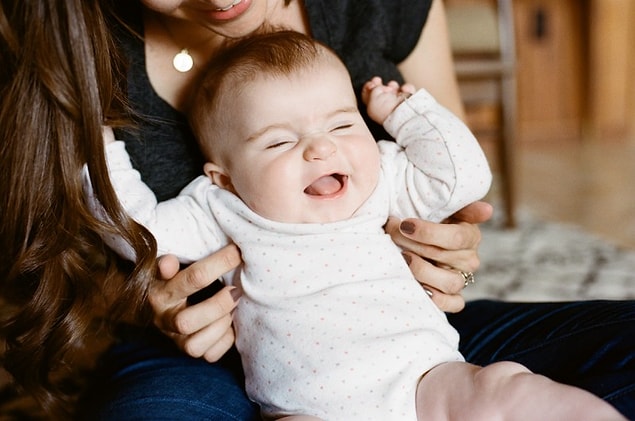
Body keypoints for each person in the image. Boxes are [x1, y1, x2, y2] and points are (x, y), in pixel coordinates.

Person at [1, 0, 633, 419]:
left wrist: (405, 115)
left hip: (422, 367)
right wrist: (96, 151)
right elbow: (135, 226)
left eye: (341, 123)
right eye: (278, 142)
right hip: (291, 397)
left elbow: (460, 181)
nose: (320, 147)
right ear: (222, 175)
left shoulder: (376, 172)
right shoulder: (220, 205)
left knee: (505, 389)